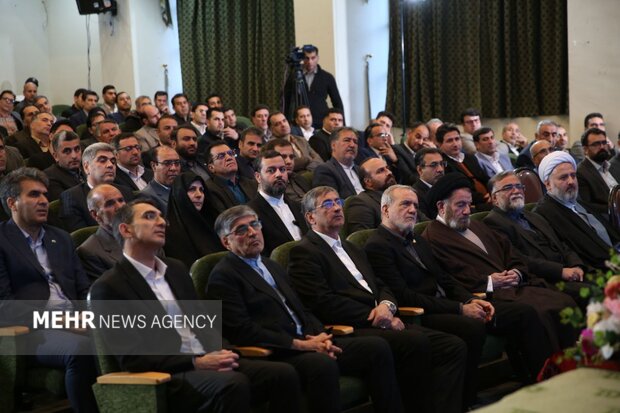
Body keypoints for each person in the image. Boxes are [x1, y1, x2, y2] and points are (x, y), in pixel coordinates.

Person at [89, 200, 299, 413]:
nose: (161, 222)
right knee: (233, 384)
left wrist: (224, 350)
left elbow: (203, 324)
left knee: (283, 374)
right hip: (168, 376)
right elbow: (132, 358)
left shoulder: (176, 269)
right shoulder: (109, 287)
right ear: (126, 230)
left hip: (207, 358)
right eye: (150, 217)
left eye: (161, 216)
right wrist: (195, 362)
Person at [364, 185, 553, 402]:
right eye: (405, 204)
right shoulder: (377, 245)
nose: (413, 210)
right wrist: (461, 308)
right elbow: (405, 296)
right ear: (385, 210)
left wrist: (471, 299)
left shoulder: (417, 240)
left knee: (522, 312)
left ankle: (542, 385)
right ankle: (466, 399)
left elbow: (445, 279)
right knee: (471, 326)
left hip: (448, 304)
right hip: (424, 313)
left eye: (415, 205)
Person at [207, 205, 404, 413]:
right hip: (280, 350)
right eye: (241, 229)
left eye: (254, 224)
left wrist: (321, 337)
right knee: (321, 364)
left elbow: (303, 309)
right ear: (226, 242)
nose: (252, 232)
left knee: (376, 348)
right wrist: (300, 345)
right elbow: (242, 330)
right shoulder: (224, 276)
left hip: (309, 340)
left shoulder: (271, 265)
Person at [288, 186, 466, 413]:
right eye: (328, 204)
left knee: (451, 346)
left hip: (383, 316)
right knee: (413, 342)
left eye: (338, 202)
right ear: (311, 217)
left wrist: (387, 306)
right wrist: (374, 316)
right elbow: (323, 302)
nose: (337, 208)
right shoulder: (304, 252)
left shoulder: (351, 247)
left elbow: (380, 284)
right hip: (353, 326)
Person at [422, 173, 579, 351]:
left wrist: (517, 272)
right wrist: (490, 281)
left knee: (564, 301)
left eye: (468, 204)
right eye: (460, 205)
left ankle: (576, 360)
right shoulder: (432, 237)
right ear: (441, 206)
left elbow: (511, 253)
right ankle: (550, 365)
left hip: (515, 287)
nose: (467, 211)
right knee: (539, 311)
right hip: (489, 296)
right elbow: (451, 277)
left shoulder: (476, 225)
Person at [0, 167, 98, 412]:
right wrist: (60, 321)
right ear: (12, 203)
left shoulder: (61, 238)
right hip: (31, 332)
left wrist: (90, 315)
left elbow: (83, 289)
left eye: (44, 194)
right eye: (34, 194)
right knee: (82, 350)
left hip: (76, 320)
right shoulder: (2, 241)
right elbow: (6, 307)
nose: (44, 200)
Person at [484, 171, 588, 306]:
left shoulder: (533, 215)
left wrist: (576, 265)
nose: (516, 191)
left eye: (519, 186)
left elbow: (561, 243)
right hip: (543, 280)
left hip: (568, 271)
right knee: (594, 293)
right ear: (494, 198)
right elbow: (520, 259)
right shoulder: (493, 223)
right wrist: (560, 271)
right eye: (508, 188)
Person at [534, 151, 620, 271]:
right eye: (563, 177)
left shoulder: (578, 203)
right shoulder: (544, 213)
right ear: (548, 184)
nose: (571, 181)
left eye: (573, 176)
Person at [59, 142, 134, 232]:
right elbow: (81, 235)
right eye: (102, 160)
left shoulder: (126, 191)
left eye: (113, 161)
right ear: (86, 167)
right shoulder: (71, 197)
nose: (110, 165)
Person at [247, 151, 307, 256]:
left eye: (282, 169)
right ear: (258, 177)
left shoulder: (298, 206)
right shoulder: (251, 213)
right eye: (271, 170)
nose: (279, 174)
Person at [165, 172, 222, 267]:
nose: (199, 195)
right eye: (192, 189)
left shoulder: (212, 221)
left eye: (201, 190)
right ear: (179, 193)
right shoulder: (170, 233)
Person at [76, 184, 126, 280]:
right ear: (95, 214)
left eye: (121, 200)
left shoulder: (143, 233)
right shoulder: (90, 252)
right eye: (110, 204)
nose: (120, 207)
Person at [286, 45, 343, 129]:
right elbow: (287, 100)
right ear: (302, 58)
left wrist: (342, 124)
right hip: (300, 121)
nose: (310, 61)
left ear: (317, 58)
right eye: (307, 58)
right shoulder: (294, 76)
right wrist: (287, 121)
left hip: (321, 120)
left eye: (313, 58)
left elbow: (337, 102)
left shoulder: (327, 77)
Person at [345, 157, 397, 234]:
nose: (389, 172)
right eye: (381, 171)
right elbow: (362, 238)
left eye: (387, 168)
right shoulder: (361, 203)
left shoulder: (398, 196)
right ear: (368, 182)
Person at [204, 142, 257, 216]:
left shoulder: (250, 183)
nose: (229, 158)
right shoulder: (210, 189)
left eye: (231, 153)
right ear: (211, 167)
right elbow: (226, 218)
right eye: (221, 156)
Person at [311, 127, 364, 199]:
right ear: (333, 145)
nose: (352, 145)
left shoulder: (359, 169)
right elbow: (330, 201)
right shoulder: (325, 170)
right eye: (347, 140)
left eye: (355, 142)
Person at [576, 127, 618, 215]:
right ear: (585, 149)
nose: (602, 147)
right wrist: (615, 208)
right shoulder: (581, 172)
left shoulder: (611, 166)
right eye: (596, 144)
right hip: (609, 218)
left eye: (604, 143)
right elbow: (587, 206)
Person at [262, 138, 312, 203]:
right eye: (283, 157)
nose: (289, 161)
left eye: (291, 157)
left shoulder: (298, 178)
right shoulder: (269, 186)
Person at [43, 130, 85, 201]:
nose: (74, 156)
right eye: (67, 151)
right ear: (56, 156)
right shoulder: (49, 177)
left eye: (77, 149)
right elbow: (68, 203)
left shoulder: (88, 167)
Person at [140, 145, 181, 215]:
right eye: (167, 163)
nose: (173, 168)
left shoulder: (185, 189)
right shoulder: (146, 196)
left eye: (177, 163)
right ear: (154, 166)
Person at [412, 148, 446, 218]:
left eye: (442, 164)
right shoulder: (415, 196)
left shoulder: (449, 187)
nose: (440, 169)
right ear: (420, 170)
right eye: (433, 165)